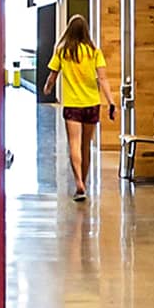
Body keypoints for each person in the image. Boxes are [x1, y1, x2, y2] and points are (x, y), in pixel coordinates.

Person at [47, 15, 116, 201]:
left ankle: (78, 181)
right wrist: (111, 101)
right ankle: (83, 182)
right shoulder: (94, 52)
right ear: (86, 31)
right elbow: (103, 79)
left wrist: (47, 88)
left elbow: (53, 75)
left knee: (74, 144)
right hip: (92, 103)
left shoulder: (62, 51)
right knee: (86, 146)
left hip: (72, 105)